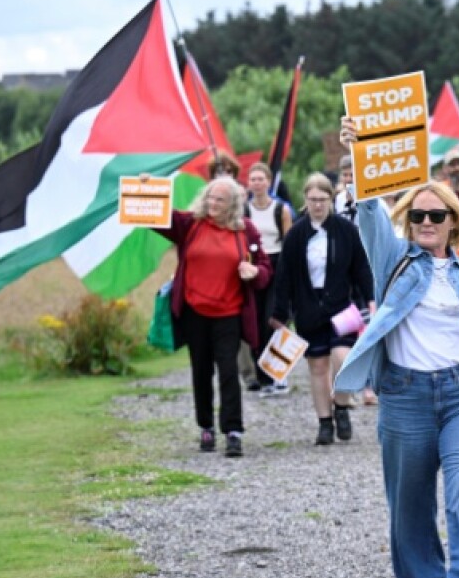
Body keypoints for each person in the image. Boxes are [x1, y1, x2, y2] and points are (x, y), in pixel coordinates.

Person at [334, 119, 459, 578]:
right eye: (418, 216)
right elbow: (368, 213)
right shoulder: (394, 262)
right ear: (408, 223)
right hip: (405, 398)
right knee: (409, 504)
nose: (427, 222)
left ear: (454, 222)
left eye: (437, 215)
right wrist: (359, 152)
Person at [153, 177, 272, 458]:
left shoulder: (245, 231)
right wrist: (147, 188)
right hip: (195, 313)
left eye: (219, 199)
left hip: (229, 314)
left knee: (229, 372)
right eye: (210, 198)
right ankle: (205, 427)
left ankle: (233, 432)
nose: (213, 204)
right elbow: (155, 217)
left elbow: (265, 268)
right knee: (201, 371)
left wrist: (255, 273)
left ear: (232, 204)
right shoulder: (190, 224)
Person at [270, 174, 374, 446]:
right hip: (308, 307)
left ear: (331, 199)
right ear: (305, 200)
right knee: (317, 366)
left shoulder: (346, 230)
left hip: (341, 307)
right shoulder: (295, 235)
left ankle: (341, 405)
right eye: (312, 200)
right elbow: (284, 276)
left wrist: (371, 299)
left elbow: (361, 267)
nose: (317, 205)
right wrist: (279, 314)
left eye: (322, 199)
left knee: (343, 358)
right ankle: (324, 422)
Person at [243, 162, 293, 393]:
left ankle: (279, 375)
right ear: (248, 183)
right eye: (253, 179)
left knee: (274, 320)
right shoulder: (244, 210)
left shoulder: (280, 210)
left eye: (261, 179)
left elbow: (289, 241)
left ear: (269, 181)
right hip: (253, 266)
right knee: (254, 322)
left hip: (278, 265)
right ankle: (263, 377)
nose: (257, 183)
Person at [334, 154, 359, 224]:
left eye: (352, 175)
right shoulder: (339, 198)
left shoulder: (366, 200)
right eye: (345, 175)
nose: (348, 179)